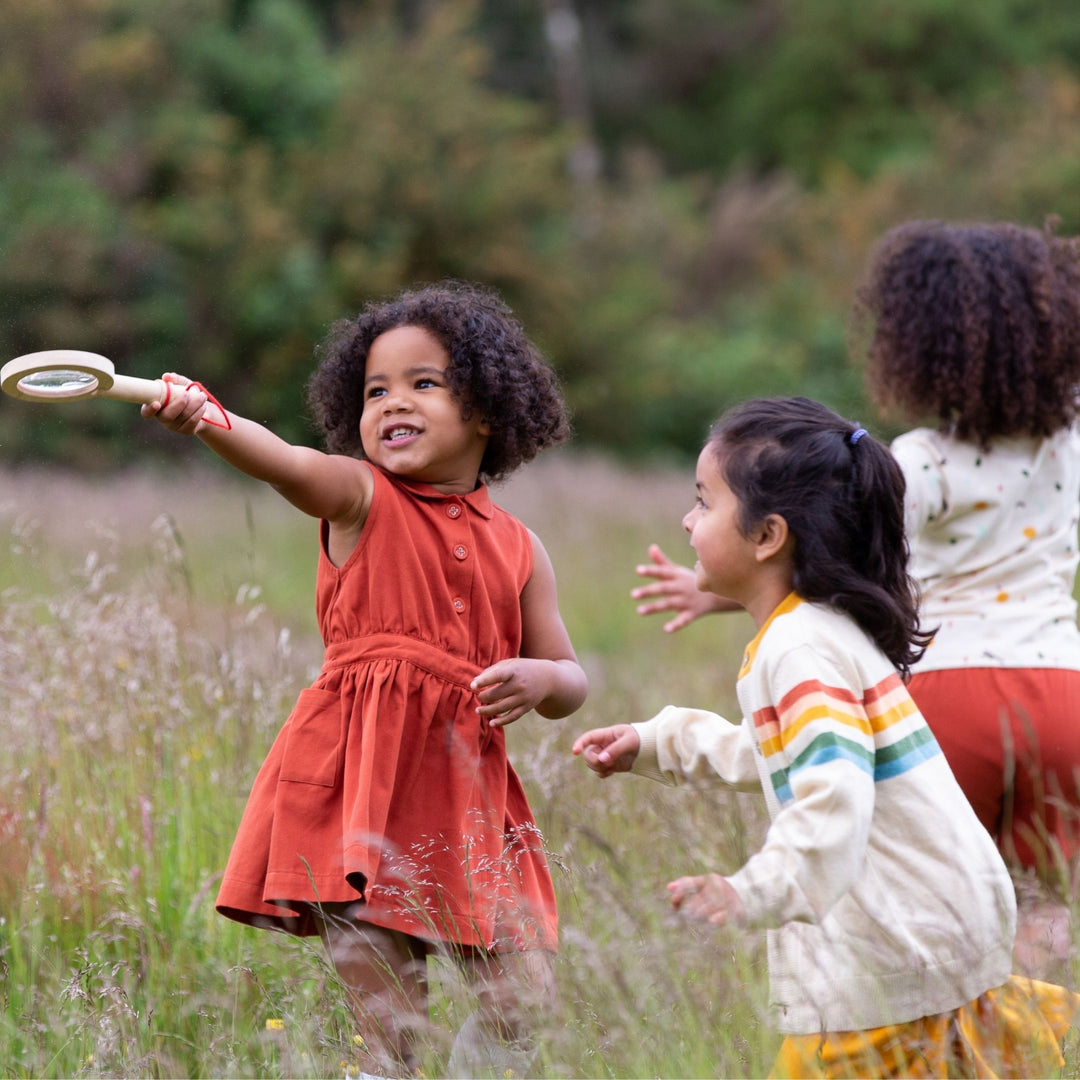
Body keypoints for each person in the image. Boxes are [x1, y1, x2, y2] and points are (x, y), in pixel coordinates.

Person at [143, 281, 588, 1078]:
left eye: (423, 383)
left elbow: (570, 678)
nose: (392, 403)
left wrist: (539, 678)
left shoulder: (522, 547)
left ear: (486, 409)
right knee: (392, 1027)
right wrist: (208, 417)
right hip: (360, 787)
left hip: (468, 798)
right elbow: (284, 462)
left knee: (526, 1002)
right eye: (374, 390)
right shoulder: (361, 497)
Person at [575, 397, 1076, 1078]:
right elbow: (792, 751)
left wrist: (753, 890)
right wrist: (659, 741)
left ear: (766, 536)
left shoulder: (799, 646)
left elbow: (833, 793)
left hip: (891, 962)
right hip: (941, 939)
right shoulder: (815, 631)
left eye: (703, 502)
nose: (688, 522)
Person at [634, 221, 1080, 979]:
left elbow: (839, 558)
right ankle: (1035, 1048)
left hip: (949, 692)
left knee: (935, 900)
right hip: (1065, 696)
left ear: (920, 348)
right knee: (1044, 905)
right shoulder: (1068, 441)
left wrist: (716, 594)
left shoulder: (922, 459)